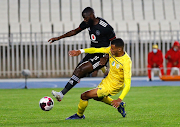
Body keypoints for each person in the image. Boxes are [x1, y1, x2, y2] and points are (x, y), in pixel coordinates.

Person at [49, 7, 116, 101]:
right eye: (84, 18)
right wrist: (59, 38)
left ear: (92, 16)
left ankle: (61, 94)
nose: (85, 20)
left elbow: (115, 44)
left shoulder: (105, 27)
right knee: (77, 72)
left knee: (81, 70)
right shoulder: (87, 23)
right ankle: (61, 94)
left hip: (102, 55)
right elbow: (75, 31)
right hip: (92, 52)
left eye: (86, 18)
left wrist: (106, 57)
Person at [65, 38, 132, 120]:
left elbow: (128, 85)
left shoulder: (126, 62)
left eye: (112, 49)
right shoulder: (111, 51)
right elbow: (96, 50)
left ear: (119, 49)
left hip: (114, 86)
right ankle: (120, 106)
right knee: (97, 97)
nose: (110, 50)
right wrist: (80, 51)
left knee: (84, 96)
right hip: (107, 81)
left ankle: (79, 115)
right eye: (110, 48)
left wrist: (119, 99)